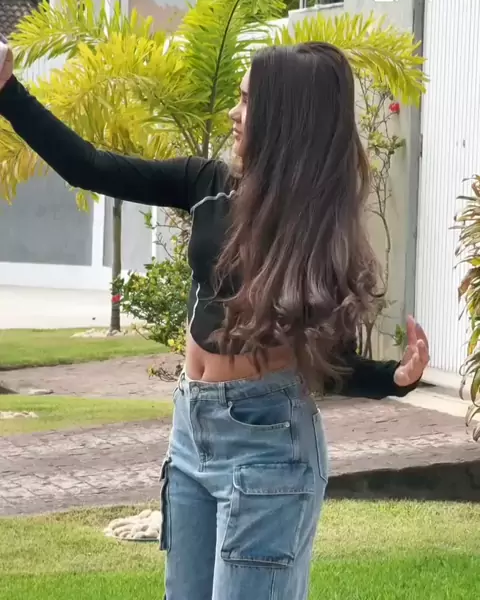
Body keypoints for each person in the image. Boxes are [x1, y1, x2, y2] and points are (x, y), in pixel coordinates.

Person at [0, 40, 429, 600]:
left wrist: (394, 378)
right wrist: (8, 92)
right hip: (191, 429)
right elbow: (90, 167)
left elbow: (329, 360)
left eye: (247, 101)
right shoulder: (207, 185)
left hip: (268, 442)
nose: (233, 111)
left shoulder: (313, 229)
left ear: (283, 118)